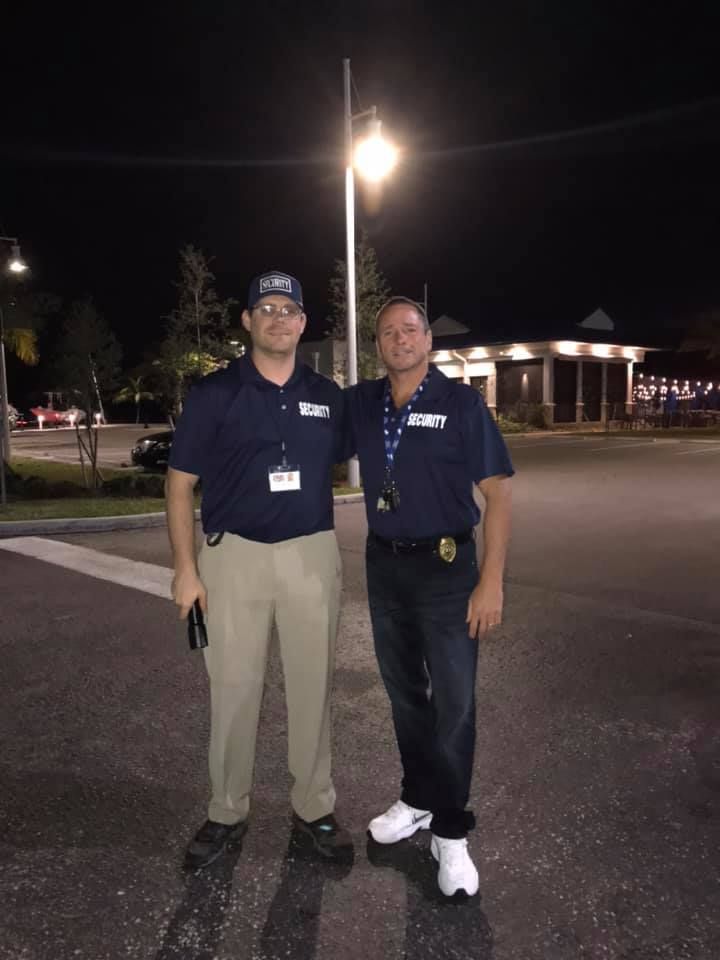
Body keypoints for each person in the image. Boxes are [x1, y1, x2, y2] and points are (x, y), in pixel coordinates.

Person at [166, 270, 352, 870]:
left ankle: (313, 807)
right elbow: (179, 484)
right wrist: (185, 570)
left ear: (303, 324)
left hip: (311, 555)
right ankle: (226, 809)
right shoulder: (214, 394)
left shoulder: (328, 397)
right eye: (265, 307)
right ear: (247, 320)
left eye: (289, 309)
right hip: (234, 557)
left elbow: (376, 452)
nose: (278, 318)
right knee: (234, 688)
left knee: (312, 687)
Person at [347, 296, 514, 898]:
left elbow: (497, 495)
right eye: (388, 331)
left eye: (410, 329)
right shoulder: (363, 403)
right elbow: (302, 425)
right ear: (379, 344)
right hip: (384, 565)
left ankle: (452, 831)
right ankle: (418, 798)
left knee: (454, 704)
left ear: (428, 341)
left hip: (448, 570)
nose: (400, 338)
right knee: (404, 696)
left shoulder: (461, 403)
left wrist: (490, 581)